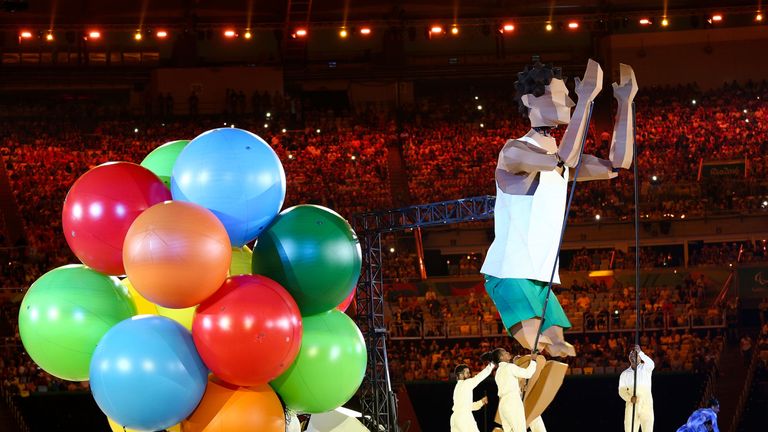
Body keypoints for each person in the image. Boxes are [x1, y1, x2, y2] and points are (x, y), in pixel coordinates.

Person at [480, 58, 637, 357]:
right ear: (530, 100)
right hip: (510, 271)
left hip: (541, 275)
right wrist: (586, 100)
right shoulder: (515, 150)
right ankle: (523, 372)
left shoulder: (562, 160)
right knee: (537, 343)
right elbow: (563, 158)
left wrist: (624, 102)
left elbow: (618, 164)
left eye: (571, 95)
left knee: (561, 345)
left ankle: (535, 370)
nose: (569, 100)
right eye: (561, 95)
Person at [483, 348, 537, 432]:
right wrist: (533, 359)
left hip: (503, 405)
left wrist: (514, 363)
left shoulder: (498, 372)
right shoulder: (510, 367)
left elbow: (509, 377)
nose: (508, 352)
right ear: (501, 357)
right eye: (505, 352)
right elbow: (528, 373)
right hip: (513, 402)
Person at [618, 345, 655, 432]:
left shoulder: (645, 368)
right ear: (629, 358)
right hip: (632, 405)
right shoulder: (624, 374)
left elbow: (651, 364)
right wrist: (629, 398)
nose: (633, 356)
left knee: (647, 430)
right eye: (631, 354)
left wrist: (641, 353)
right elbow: (621, 390)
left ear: (639, 357)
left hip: (646, 405)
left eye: (635, 354)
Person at [450, 362, 494, 432]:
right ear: (460, 375)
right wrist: (492, 365)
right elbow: (480, 376)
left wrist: (481, 402)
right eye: (467, 373)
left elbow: (467, 406)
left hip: (455, 419)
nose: (469, 375)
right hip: (464, 418)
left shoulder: (457, 388)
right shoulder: (466, 383)